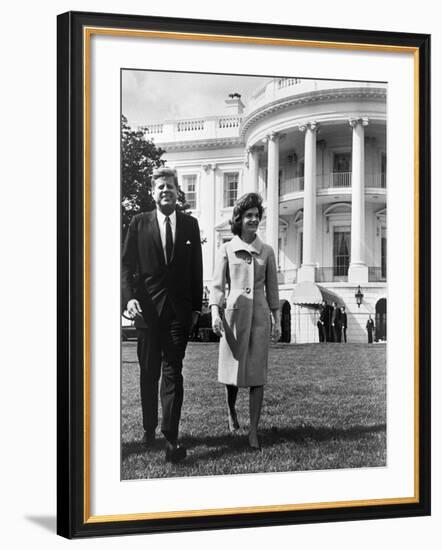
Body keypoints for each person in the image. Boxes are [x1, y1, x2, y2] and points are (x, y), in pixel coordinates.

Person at [122, 167, 203, 463]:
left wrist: (196, 307)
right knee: (148, 373)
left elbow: (196, 269)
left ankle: (171, 438)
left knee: (173, 373)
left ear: (177, 191)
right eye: (160, 187)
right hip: (146, 314)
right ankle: (148, 429)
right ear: (152, 193)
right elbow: (125, 266)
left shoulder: (190, 225)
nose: (165, 190)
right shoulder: (138, 224)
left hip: (178, 314)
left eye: (170, 186)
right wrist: (128, 299)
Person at [210, 193, 280, 451]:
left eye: (256, 216)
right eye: (248, 215)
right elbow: (217, 285)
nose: (253, 220)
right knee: (231, 374)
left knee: (257, 375)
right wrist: (215, 313)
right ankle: (231, 413)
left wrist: (277, 318)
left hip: (260, 318)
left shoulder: (268, 252)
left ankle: (253, 431)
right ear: (238, 219)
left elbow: (273, 290)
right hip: (234, 318)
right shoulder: (226, 249)